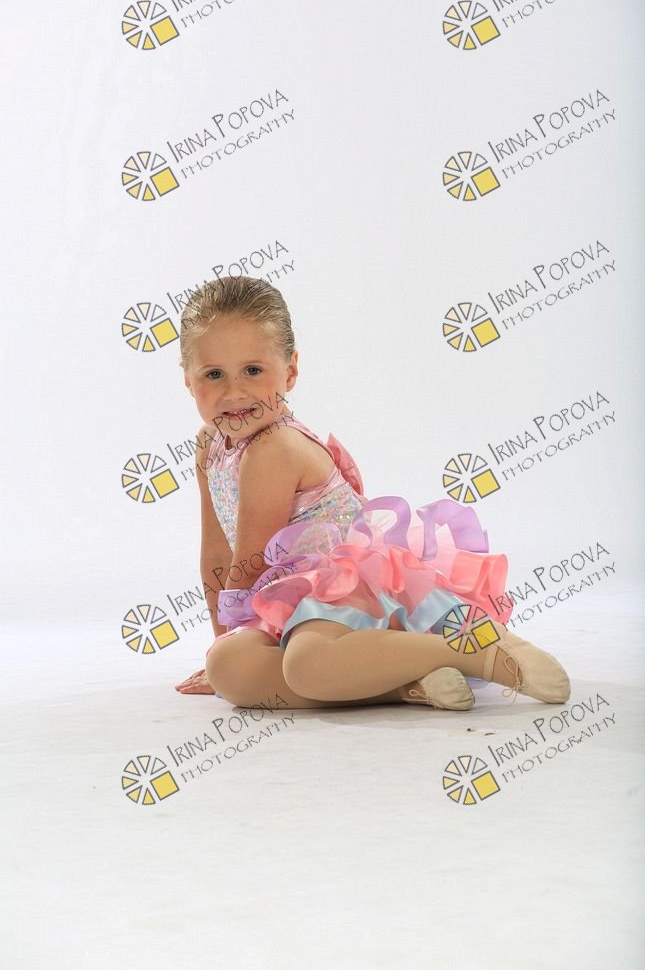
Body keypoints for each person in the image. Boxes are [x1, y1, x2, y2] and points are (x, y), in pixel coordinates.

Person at [174, 276, 570, 710]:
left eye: (253, 370)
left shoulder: (273, 448)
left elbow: (248, 565)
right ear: (189, 380)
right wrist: (223, 646)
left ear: (290, 370)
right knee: (231, 669)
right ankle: (407, 683)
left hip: (351, 592)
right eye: (214, 374)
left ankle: (478, 652)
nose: (235, 392)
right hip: (294, 604)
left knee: (306, 664)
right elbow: (217, 552)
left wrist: (231, 637)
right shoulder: (209, 445)